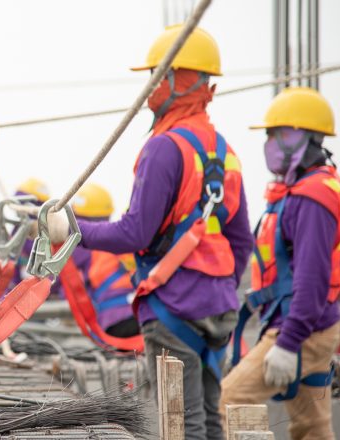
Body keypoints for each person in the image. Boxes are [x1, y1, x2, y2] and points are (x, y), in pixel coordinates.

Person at [44, 25, 253, 440]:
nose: (150, 86)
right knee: (211, 419)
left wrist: (73, 230)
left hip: (174, 308)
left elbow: (135, 233)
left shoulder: (164, 148)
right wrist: (220, 288)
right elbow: (241, 239)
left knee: (182, 423)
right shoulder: (223, 151)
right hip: (220, 308)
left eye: (157, 75)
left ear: (178, 79)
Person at [220, 87, 340, 439]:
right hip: (312, 325)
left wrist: (289, 343)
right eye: (270, 134)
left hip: (302, 327)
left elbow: (312, 280)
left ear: (309, 138)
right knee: (312, 428)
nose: (272, 143)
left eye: (282, 133)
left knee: (227, 402)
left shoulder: (312, 198)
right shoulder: (302, 192)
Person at [58, 184, 139, 338]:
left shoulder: (79, 246)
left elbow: (58, 283)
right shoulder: (118, 239)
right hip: (142, 314)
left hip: (114, 321)